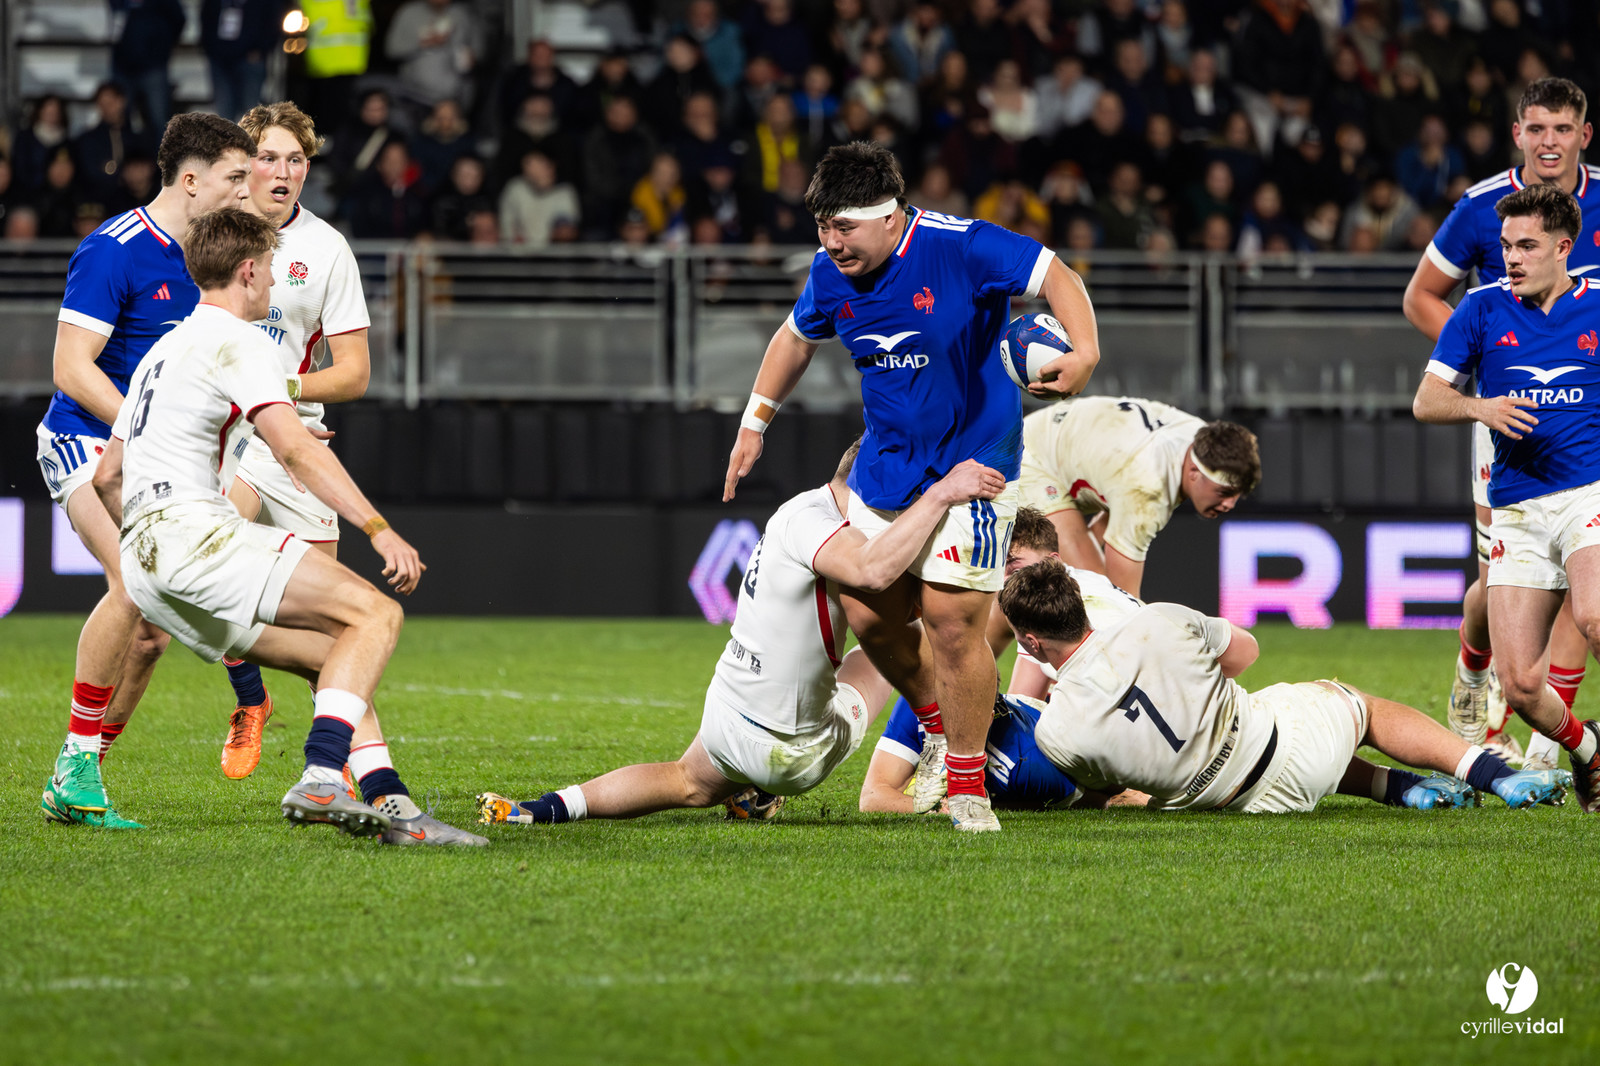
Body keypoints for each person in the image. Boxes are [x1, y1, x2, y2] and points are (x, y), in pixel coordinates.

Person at [722, 140, 1101, 832]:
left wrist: (1086, 352)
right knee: (871, 616)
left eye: (845, 227)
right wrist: (755, 423)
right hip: (884, 472)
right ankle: (934, 726)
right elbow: (794, 338)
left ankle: (967, 787)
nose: (831, 243)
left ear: (891, 216)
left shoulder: (962, 245)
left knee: (953, 626)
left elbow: (1057, 274)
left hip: (975, 469)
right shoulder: (829, 274)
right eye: (822, 227)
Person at [91, 207, 484, 846]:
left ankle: (392, 806)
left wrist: (148, 547)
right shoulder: (240, 340)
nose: (274, 282)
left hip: (145, 567)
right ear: (248, 270)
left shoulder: (161, 351)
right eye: (271, 269)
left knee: (337, 657)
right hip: (194, 538)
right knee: (377, 616)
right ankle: (322, 776)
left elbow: (109, 476)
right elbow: (295, 448)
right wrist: (378, 527)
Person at [474, 444, 1008, 827]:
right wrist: (940, 495)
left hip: (730, 714)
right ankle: (938, 731)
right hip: (795, 748)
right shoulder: (820, 526)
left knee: (685, 781)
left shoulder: (800, 511)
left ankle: (542, 809)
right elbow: (872, 574)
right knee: (882, 635)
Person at [36, 113, 255, 830]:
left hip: (151, 453)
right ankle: (74, 768)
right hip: (83, 439)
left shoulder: (212, 259)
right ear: (190, 180)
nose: (246, 190)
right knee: (132, 582)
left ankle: (81, 773)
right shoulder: (114, 250)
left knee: (153, 630)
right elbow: (72, 368)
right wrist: (142, 428)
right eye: (234, 177)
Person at [999, 560, 1572, 814]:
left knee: (1273, 728)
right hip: (1282, 745)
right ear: (1079, 602)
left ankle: (1396, 788)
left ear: (1029, 640)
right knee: (1359, 709)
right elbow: (1245, 653)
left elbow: (1107, 788)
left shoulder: (1057, 731)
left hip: (1234, 808)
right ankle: (1497, 776)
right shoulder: (1158, 619)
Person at [1401, 77, 1600, 769]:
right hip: (1505, 423)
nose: (1549, 142)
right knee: (1497, 583)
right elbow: (1421, 297)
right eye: (1536, 128)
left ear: (1583, 135)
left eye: (1562, 129)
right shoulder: (1481, 208)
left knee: (1585, 589)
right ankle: (1472, 664)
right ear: (1517, 133)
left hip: (1585, 425)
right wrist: (1487, 365)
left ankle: (1552, 745)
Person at [213, 101, 373, 782]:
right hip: (227, 437)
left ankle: (335, 766)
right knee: (207, 581)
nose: (282, 172)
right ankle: (251, 698)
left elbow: (355, 373)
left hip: (298, 441)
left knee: (328, 627)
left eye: (296, 160)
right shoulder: (209, 231)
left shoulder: (328, 249)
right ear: (245, 164)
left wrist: (283, 389)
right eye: (269, 158)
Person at [862, 507, 1151, 813]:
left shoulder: (1048, 611)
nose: (1003, 580)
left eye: (1013, 565)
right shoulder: (1070, 592)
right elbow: (873, 796)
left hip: (1135, 717)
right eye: (998, 567)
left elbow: (1031, 699)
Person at [1018, 396, 1259, 599]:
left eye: (1239, 493)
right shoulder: (1149, 487)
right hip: (1033, 455)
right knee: (1095, 599)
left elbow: (1122, 488)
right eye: (1224, 492)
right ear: (1194, 473)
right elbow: (1124, 603)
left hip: (1057, 436)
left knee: (1062, 592)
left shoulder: (1203, 441)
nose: (1230, 504)